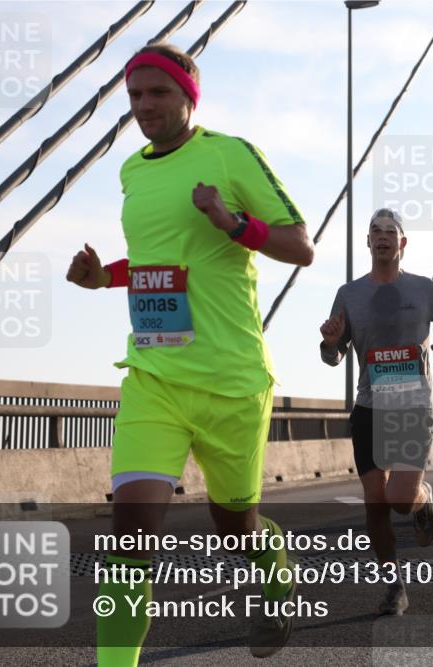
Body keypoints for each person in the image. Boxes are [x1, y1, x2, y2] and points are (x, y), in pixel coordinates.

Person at [66, 44, 314, 664]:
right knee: (130, 534)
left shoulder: (229, 154)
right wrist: (106, 279)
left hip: (231, 379)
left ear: (188, 97)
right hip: (155, 374)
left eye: (158, 94)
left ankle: (272, 567)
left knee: (236, 527)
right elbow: (162, 265)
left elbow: (300, 246)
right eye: (135, 96)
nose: (144, 106)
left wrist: (232, 223)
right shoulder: (132, 171)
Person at [319, 207, 433, 616]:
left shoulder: (424, 290)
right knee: (375, 501)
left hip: (411, 407)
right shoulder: (349, 294)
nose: (383, 236)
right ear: (367, 242)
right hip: (369, 407)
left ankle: (422, 501)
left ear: (402, 243)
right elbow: (332, 357)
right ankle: (394, 586)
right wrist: (330, 344)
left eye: (391, 231)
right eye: (375, 231)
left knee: (399, 499)